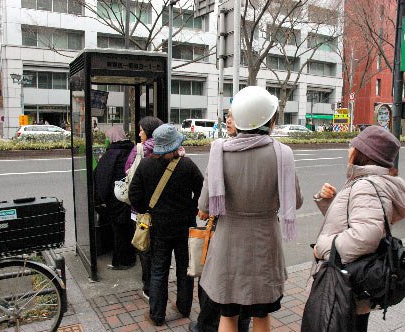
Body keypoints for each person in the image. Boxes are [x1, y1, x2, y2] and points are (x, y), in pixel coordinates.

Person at [198, 86, 303, 332]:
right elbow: (294, 201)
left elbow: (204, 205)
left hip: (228, 244)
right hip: (265, 244)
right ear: (269, 121)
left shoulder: (219, 153)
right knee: (262, 314)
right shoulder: (282, 154)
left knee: (228, 314)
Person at [310, 125, 405, 331]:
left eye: (353, 145)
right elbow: (352, 222)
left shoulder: (365, 185)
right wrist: (328, 202)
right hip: (351, 284)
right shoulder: (367, 182)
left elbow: (366, 235)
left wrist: (323, 248)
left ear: (364, 154)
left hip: (347, 284)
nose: (349, 149)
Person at [129, 124, 204, 326]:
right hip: (184, 225)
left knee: (158, 269)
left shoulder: (145, 165)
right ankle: (183, 306)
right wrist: (192, 207)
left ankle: (157, 315)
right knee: (184, 267)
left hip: (158, 227)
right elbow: (202, 190)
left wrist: (149, 209)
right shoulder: (187, 165)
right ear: (175, 145)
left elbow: (133, 196)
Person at [188, 108, 251, 332]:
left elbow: (204, 206)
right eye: (227, 116)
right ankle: (241, 325)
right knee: (244, 283)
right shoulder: (271, 150)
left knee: (214, 281)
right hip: (254, 234)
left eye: (233, 116)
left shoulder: (221, 151)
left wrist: (206, 209)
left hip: (223, 228)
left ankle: (206, 325)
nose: (228, 120)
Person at [124, 116, 164, 300]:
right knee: (158, 248)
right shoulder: (167, 149)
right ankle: (158, 286)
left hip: (140, 212)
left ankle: (148, 287)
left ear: (147, 131)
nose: (139, 133)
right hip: (160, 209)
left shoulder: (139, 149)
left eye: (141, 130)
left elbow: (127, 171)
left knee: (143, 246)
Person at [94, 126, 136, 270]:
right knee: (129, 227)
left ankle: (121, 261)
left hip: (115, 198)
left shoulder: (111, 154)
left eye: (107, 137)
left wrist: (101, 199)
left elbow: (102, 178)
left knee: (118, 231)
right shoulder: (132, 149)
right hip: (130, 196)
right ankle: (131, 257)